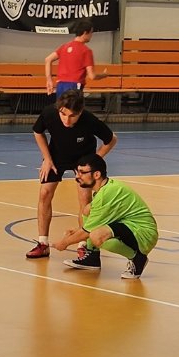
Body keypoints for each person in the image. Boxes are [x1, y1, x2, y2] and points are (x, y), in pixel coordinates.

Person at [25, 88, 116, 260]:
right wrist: (47, 159)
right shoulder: (49, 113)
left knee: (84, 199)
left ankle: (83, 245)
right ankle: (43, 244)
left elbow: (111, 139)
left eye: (72, 116)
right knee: (44, 193)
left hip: (82, 158)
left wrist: (93, 161)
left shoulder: (89, 120)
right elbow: (38, 132)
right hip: (56, 156)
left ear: (80, 112)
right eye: (63, 114)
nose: (67, 120)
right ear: (58, 109)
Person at [52, 153, 158, 279]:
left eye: (82, 172)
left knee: (96, 236)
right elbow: (92, 222)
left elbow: (87, 231)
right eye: (77, 172)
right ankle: (92, 258)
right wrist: (77, 231)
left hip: (143, 233)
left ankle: (137, 258)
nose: (77, 176)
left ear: (96, 174)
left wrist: (64, 243)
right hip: (129, 226)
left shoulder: (106, 194)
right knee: (87, 210)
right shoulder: (105, 188)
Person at [44, 19, 99, 96]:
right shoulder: (86, 51)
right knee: (74, 104)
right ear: (85, 33)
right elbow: (92, 76)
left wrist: (49, 80)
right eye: (91, 32)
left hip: (60, 85)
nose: (91, 35)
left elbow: (48, 59)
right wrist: (104, 75)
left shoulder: (64, 47)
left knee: (61, 104)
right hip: (74, 86)